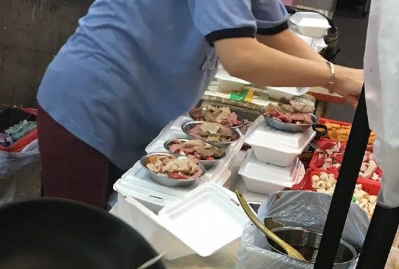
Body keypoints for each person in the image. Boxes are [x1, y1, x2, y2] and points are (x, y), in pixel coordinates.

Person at [37, 1, 365, 208]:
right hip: (91, 106)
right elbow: (241, 57)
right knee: (77, 249)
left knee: (118, 235)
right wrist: (336, 76)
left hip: (138, 114)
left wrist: (340, 80)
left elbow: (274, 33)